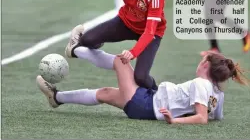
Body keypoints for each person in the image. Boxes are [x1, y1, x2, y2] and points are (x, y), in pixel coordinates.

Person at [36, 50, 249, 124]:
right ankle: (57, 98)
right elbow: (216, 117)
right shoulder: (217, 92)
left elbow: (203, 118)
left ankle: (76, 49)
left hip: (146, 105)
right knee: (105, 93)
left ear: (205, 65)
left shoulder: (201, 83)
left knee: (121, 61)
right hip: (149, 101)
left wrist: (175, 120)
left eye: (203, 60)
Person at [65, 0, 166, 91]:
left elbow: (149, 32)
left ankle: (158, 95)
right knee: (87, 40)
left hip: (151, 33)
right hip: (125, 23)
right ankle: (85, 43)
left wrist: (133, 52)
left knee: (141, 77)